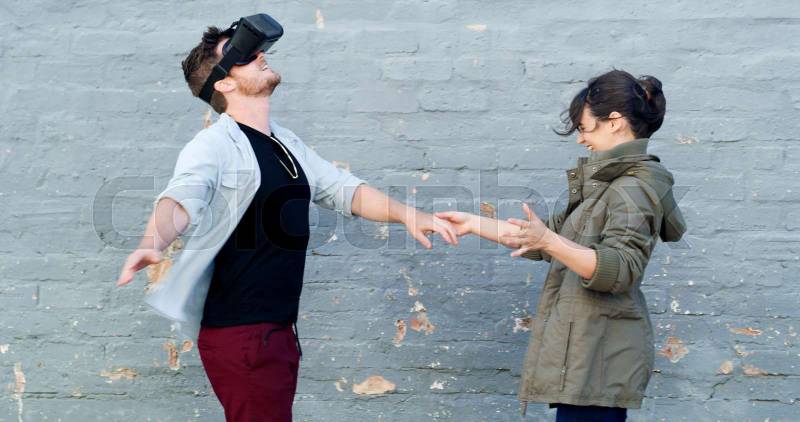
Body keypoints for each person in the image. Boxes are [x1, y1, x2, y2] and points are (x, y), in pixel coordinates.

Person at [115, 24, 457, 422]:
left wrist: (410, 215)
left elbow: (343, 189)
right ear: (224, 84)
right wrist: (152, 241)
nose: (260, 55)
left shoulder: (284, 142)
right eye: (245, 55)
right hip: (243, 335)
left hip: (274, 332)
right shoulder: (213, 144)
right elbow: (182, 195)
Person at [436, 69, 687, 422]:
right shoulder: (606, 185)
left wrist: (550, 241)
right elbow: (541, 238)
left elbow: (622, 268)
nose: (581, 140)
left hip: (600, 357)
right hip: (587, 355)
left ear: (614, 122)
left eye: (584, 128)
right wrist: (472, 223)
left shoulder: (633, 186)